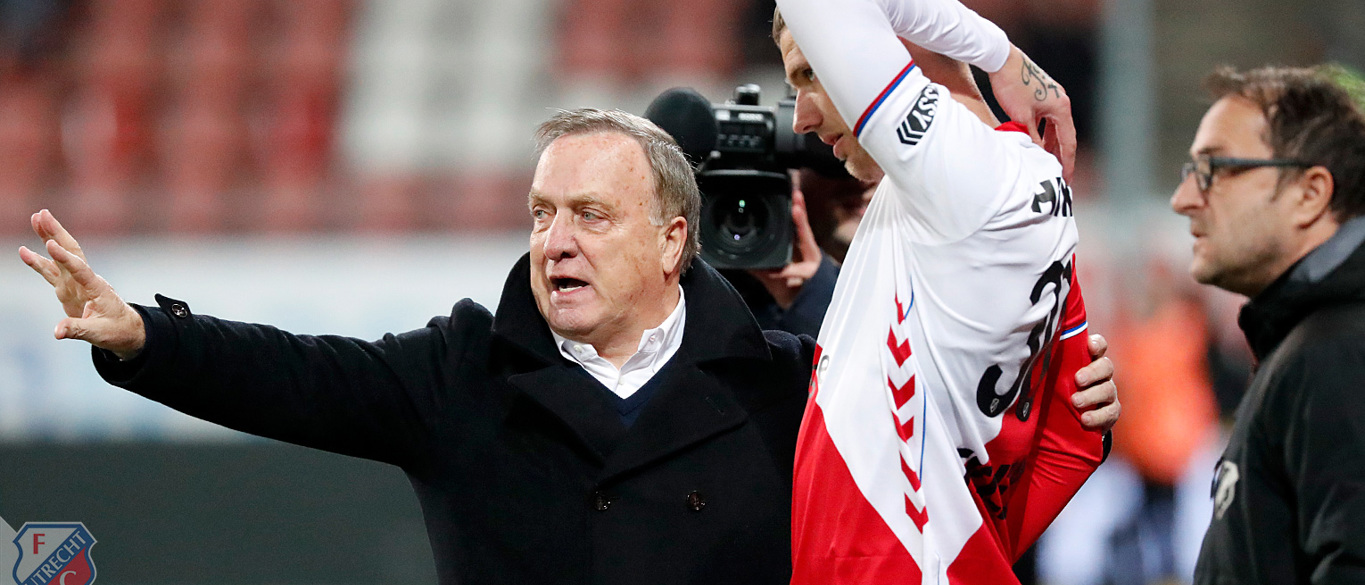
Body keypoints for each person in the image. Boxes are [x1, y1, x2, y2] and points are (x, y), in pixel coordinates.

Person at [18, 109, 1117, 583]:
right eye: (542, 213)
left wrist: (1064, 409)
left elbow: (947, 495)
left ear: (673, 239)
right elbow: (297, 375)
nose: (555, 240)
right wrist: (146, 337)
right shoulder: (461, 371)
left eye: (591, 215)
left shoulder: (790, 386)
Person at [772, 0, 1107, 582]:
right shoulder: (1018, 187)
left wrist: (998, 54)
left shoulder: (970, 176)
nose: (800, 117)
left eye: (812, 72)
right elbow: (1075, 436)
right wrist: (974, 554)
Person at [1169, 65, 1365, 585]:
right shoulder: (1312, 338)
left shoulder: (1340, 349)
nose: (1183, 199)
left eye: (1213, 169)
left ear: (1310, 193)